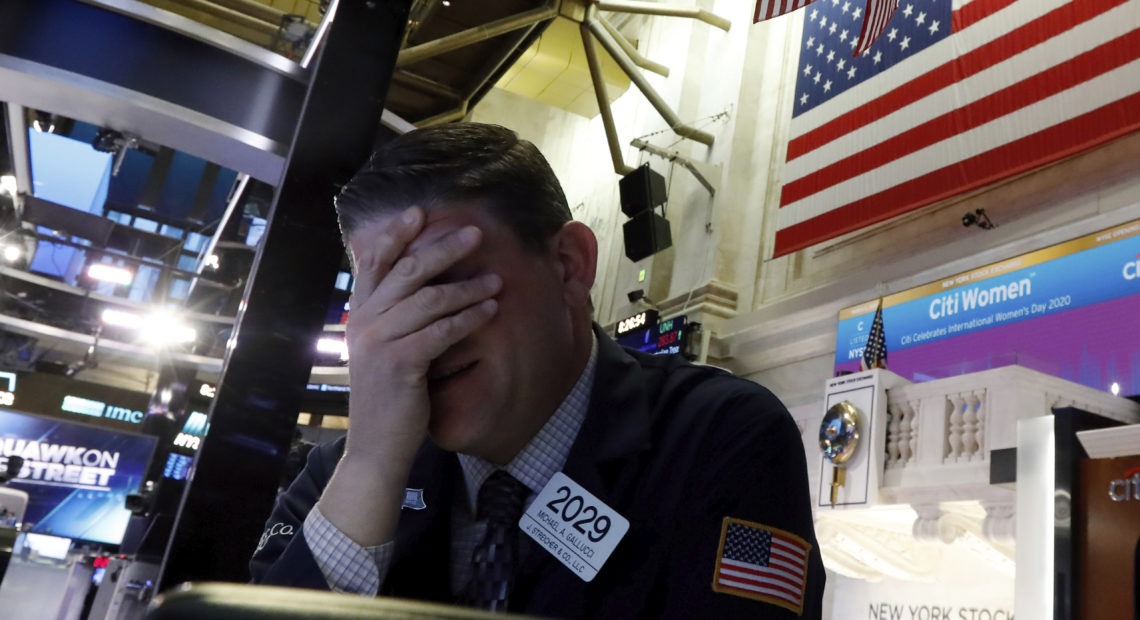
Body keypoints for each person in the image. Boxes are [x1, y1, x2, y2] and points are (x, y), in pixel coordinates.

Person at [250, 122, 825, 618]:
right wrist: (373, 463)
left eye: (443, 286)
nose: (415, 340)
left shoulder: (719, 439)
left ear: (570, 267)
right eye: (387, 300)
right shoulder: (339, 477)